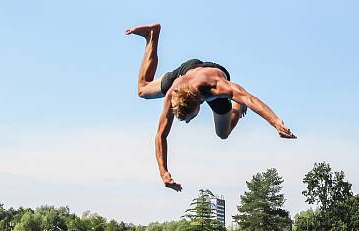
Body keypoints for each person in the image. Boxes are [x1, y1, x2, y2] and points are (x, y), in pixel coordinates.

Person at [126, 23, 296, 190]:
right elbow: (161, 135)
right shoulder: (173, 92)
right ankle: (152, 34)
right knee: (142, 90)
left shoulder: (218, 88)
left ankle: (236, 107)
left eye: (189, 118)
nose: (187, 122)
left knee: (223, 133)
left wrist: (276, 123)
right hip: (188, 70)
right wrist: (163, 172)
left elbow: (250, 99)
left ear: (198, 104)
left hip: (215, 73)